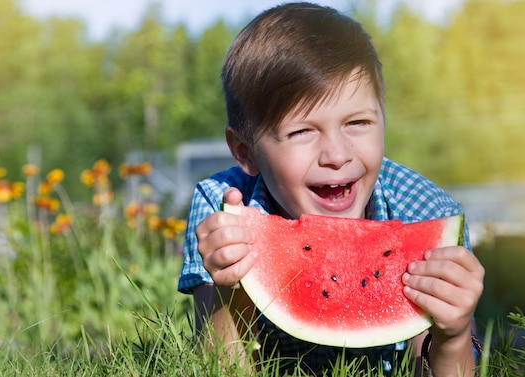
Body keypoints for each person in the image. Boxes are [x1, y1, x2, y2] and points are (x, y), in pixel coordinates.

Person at [178, 2, 484, 376]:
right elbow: (220, 368)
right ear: (245, 151)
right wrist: (230, 291)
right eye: (302, 131)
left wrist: (451, 337)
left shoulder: (426, 209)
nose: (337, 156)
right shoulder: (221, 207)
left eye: (358, 122)